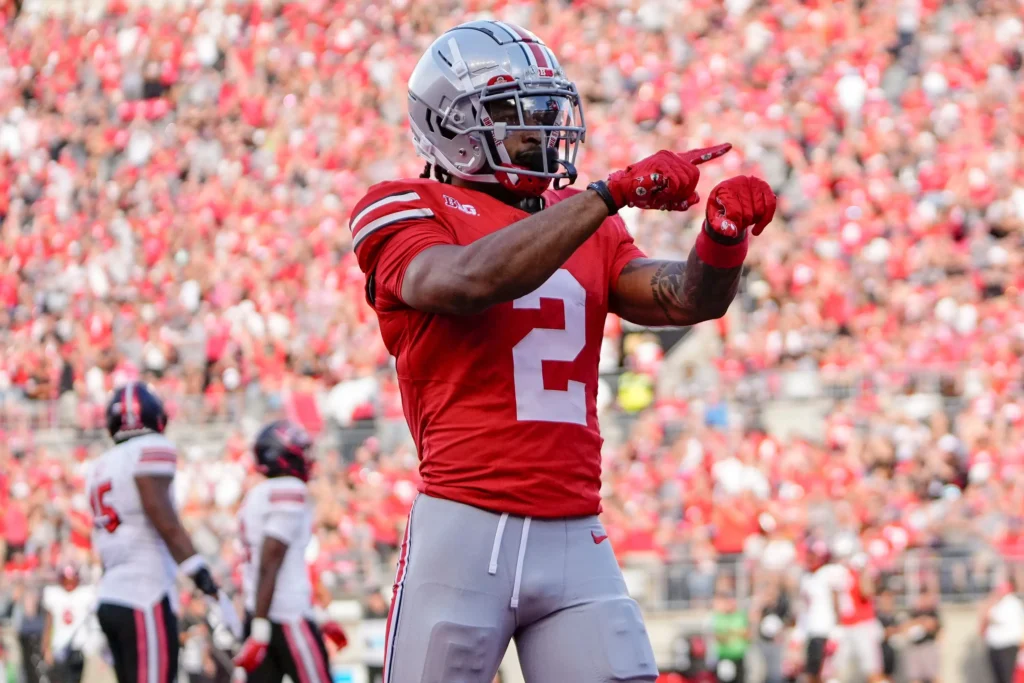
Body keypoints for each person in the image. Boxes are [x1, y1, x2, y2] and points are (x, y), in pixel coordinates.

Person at [350, 19, 777, 683]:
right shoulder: (404, 205)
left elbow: (685, 299)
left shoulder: (586, 221)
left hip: (577, 527)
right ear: (449, 125)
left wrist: (722, 240)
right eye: (512, 115)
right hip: (466, 525)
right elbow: (467, 280)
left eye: (547, 110)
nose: (540, 131)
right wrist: (605, 196)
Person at [87, 383, 235, 683]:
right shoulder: (149, 448)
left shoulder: (100, 465)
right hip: (144, 594)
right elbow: (162, 516)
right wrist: (199, 572)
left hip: (111, 595)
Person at [232, 420, 348, 683]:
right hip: (286, 616)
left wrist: (317, 614)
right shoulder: (289, 490)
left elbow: (281, 570)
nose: (306, 457)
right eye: (300, 450)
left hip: (259, 609)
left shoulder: (258, 494)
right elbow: (270, 561)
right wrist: (261, 629)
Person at [797, 542, 845, 683]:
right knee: (811, 671)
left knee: (828, 672)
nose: (811, 559)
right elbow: (805, 607)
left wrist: (837, 628)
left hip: (826, 628)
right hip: (812, 629)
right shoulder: (807, 577)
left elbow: (836, 601)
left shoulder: (829, 573)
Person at [40, 566, 95, 683]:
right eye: (66, 580)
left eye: (71, 580)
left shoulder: (85, 595)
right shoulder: (54, 596)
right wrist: (46, 647)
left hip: (80, 646)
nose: (69, 584)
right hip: (60, 647)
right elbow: (48, 624)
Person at [836, 554, 884, 683]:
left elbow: (867, 592)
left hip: (863, 625)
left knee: (872, 671)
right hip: (846, 626)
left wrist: (863, 571)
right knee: (838, 671)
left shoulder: (862, 572)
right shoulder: (840, 574)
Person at [981, 576, 1024, 683]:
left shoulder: (1012, 602)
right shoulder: (998, 603)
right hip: (995, 647)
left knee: (1006, 678)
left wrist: (990, 603)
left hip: (1007, 647)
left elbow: (996, 617)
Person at [901, 588, 940, 683]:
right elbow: (905, 628)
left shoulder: (933, 612)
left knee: (933, 676)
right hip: (915, 647)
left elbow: (934, 625)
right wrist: (920, 621)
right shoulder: (914, 612)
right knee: (915, 678)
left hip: (928, 646)